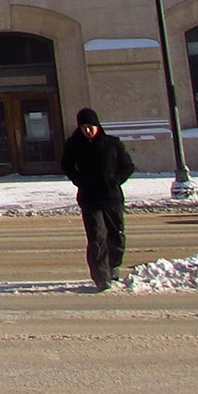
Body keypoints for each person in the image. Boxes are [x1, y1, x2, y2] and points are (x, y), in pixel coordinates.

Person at [60, 108, 136, 291]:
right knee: (97, 237)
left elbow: (128, 166)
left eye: (91, 126)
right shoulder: (74, 145)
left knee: (116, 234)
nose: (88, 131)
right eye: (84, 127)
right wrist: (79, 181)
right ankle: (101, 277)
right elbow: (66, 165)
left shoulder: (112, 143)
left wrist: (114, 180)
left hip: (111, 197)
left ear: (97, 126)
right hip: (89, 198)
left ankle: (113, 265)